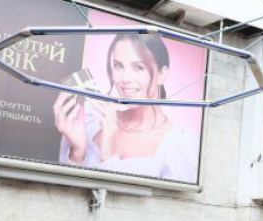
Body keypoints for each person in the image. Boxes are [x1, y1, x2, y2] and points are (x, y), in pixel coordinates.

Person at [53, 33, 198, 181]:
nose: (125, 79)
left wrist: (108, 152)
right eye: (118, 65)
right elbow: (64, 195)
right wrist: (77, 151)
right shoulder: (92, 119)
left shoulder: (178, 144)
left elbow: (171, 203)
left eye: (138, 67)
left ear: (162, 74)